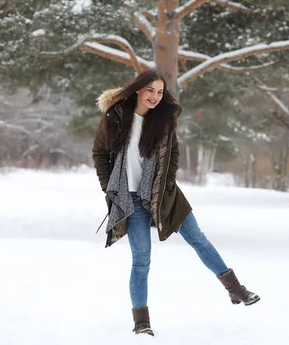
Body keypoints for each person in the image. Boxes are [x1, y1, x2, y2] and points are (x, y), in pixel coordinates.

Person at [92, 69, 260, 336]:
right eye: (150, 91)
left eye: (160, 92)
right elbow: (100, 154)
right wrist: (109, 187)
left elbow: (173, 152)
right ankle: (141, 323)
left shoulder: (164, 119)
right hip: (131, 198)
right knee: (141, 261)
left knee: (199, 240)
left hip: (165, 195)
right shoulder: (115, 117)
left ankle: (236, 289)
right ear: (138, 90)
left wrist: (167, 183)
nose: (155, 97)